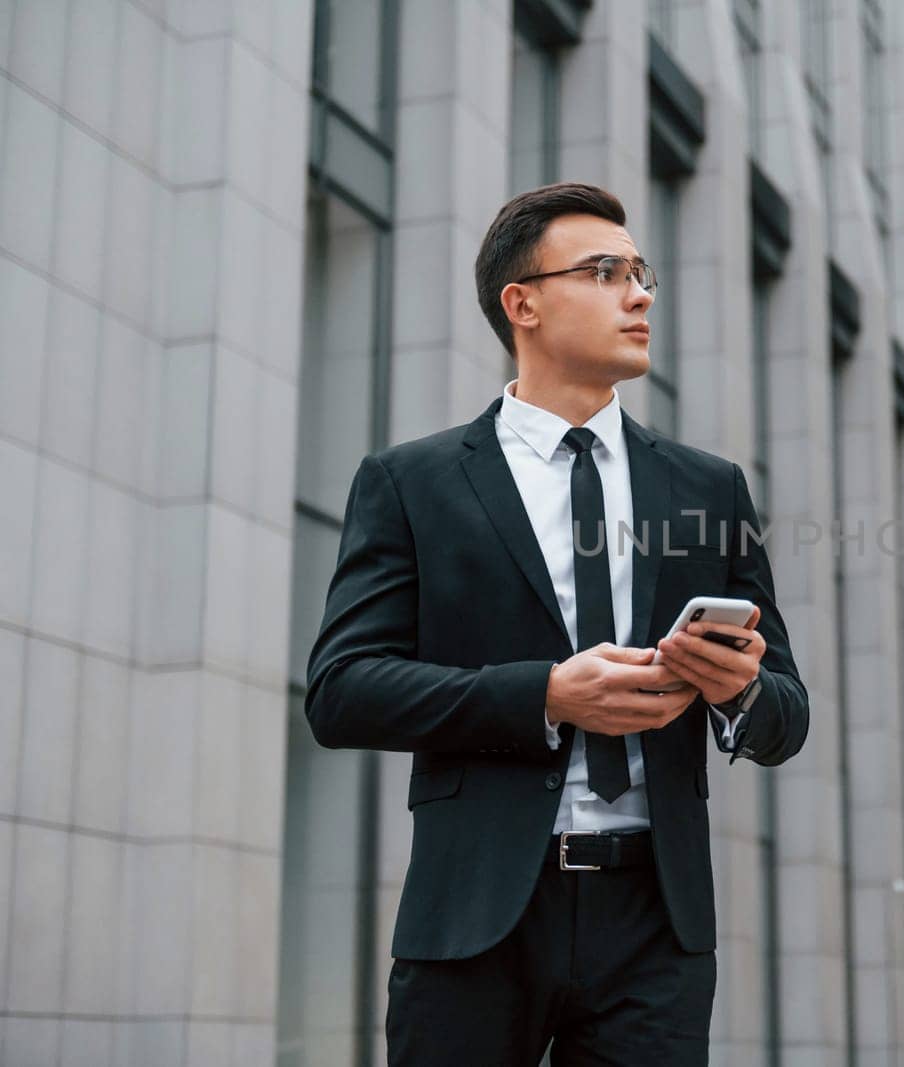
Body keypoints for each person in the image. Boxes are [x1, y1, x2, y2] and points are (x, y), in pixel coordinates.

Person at [306, 182, 810, 1064]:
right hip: (473, 921)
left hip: (656, 924)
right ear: (523, 302)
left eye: (641, 273)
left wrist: (740, 693)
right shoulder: (412, 482)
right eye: (606, 271)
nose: (641, 294)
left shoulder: (707, 488)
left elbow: (786, 713)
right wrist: (546, 693)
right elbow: (342, 691)